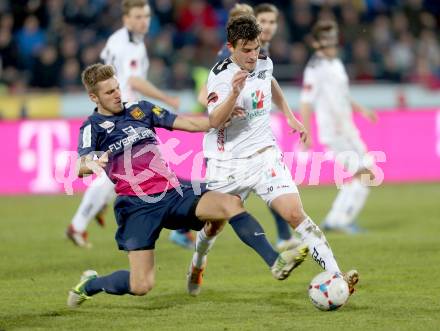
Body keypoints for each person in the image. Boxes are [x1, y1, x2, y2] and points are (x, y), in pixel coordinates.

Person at [67, 63, 308, 308]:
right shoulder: (92, 127)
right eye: (109, 92)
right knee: (141, 286)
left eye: (117, 88)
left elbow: (190, 124)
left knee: (230, 203)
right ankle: (90, 284)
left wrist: (219, 118)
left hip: (173, 192)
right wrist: (95, 161)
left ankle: (275, 262)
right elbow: (80, 166)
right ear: (93, 97)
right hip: (137, 206)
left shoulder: (141, 110)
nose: (117, 94)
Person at [186, 15, 359, 297]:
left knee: (295, 213)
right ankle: (198, 262)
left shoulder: (264, 62)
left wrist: (289, 115)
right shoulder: (220, 76)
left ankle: (336, 275)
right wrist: (233, 96)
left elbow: (271, 83)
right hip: (226, 161)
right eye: (246, 49)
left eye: (256, 48)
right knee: (213, 226)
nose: (253, 55)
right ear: (231, 47)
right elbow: (215, 120)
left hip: (264, 155)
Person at [66, 0, 184, 248]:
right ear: (127, 19)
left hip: (123, 113)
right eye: (139, 16)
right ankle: (80, 223)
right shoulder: (128, 45)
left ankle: (84, 219)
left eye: (147, 16)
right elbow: (134, 81)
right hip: (125, 115)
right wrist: (166, 98)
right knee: (127, 170)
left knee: (121, 173)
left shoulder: (119, 40)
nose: (145, 21)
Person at [198, 3, 301, 251]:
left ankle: (283, 235)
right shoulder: (227, 60)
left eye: (271, 22)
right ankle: (188, 234)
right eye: (263, 21)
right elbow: (204, 97)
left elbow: (271, 82)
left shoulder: (259, 54)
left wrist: (288, 114)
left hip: (253, 134)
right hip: (226, 143)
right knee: (216, 218)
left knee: (270, 178)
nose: (267, 27)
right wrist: (228, 106)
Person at [299, 20, 377, 233]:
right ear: (316, 43)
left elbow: (343, 95)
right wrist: (305, 131)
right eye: (326, 38)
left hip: (347, 126)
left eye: (333, 36)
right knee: (367, 174)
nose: (331, 41)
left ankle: (336, 219)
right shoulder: (315, 68)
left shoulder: (336, 63)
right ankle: (343, 220)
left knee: (363, 174)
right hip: (335, 130)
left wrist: (362, 110)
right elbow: (306, 101)